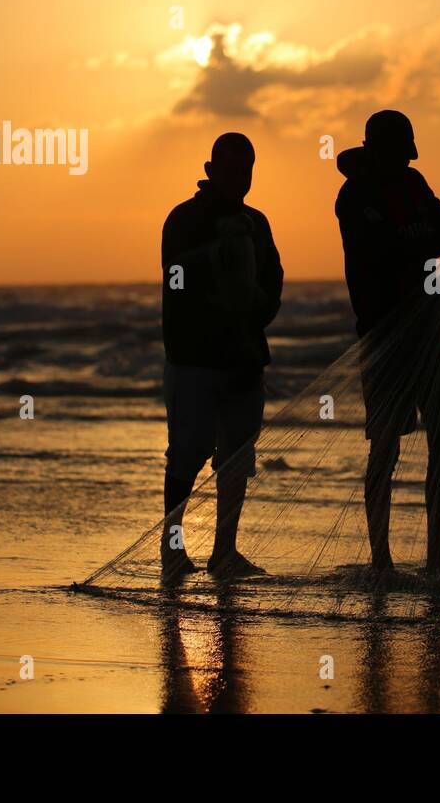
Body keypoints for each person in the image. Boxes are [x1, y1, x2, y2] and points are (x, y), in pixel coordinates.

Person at [335, 110, 440, 574]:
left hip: (430, 334)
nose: (407, 159)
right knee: (386, 447)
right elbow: (389, 249)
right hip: (384, 339)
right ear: (378, 150)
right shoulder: (354, 197)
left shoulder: (414, 184)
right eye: (399, 151)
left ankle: (437, 557)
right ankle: (381, 560)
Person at [160, 132, 283, 578]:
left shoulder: (258, 223)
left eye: (245, 172)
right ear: (211, 171)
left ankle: (223, 552)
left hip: (245, 358)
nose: (238, 179)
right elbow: (173, 276)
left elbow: (273, 283)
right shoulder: (183, 219)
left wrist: (258, 308)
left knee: (236, 459)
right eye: (229, 171)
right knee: (187, 456)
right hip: (193, 359)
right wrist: (216, 254)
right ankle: (172, 551)